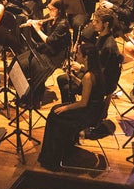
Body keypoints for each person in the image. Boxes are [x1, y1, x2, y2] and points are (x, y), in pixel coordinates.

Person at [38, 42, 107, 171]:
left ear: (86, 57)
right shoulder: (95, 71)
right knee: (55, 111)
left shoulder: (88, 76)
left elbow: (83, 103)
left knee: (54, 116)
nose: (77, 55)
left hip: (89, 113)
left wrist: (66, 108)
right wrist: (74, 79)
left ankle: (52, 158)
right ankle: (64, 147)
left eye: (79, 53)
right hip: (95, 110)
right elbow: (88, 89)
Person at [59, 7, 121, 104]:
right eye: (94, 20)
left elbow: (101, 75)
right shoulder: (101, 36)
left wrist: (80, 70)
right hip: (95, 74)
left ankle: (78, 110)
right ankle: (71, 109)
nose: (93, 23)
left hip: (101, 83)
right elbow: (96, 64)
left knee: (67, 87)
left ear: (106, 24)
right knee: (61, 79)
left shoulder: (108, 46)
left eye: (97, 21)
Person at [18, 0, 71, 108]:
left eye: (52, 9)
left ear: (59, 10)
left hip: (56, 55)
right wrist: (36, 26)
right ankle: (23, 94)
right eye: (49, 8)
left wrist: (37, 29)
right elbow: (43, 37)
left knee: (35, 66)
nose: (49, 11)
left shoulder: (63, 24)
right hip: (46, 49)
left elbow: (50, 40)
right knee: (22, 61)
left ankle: (34, 100)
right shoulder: (50, 18)